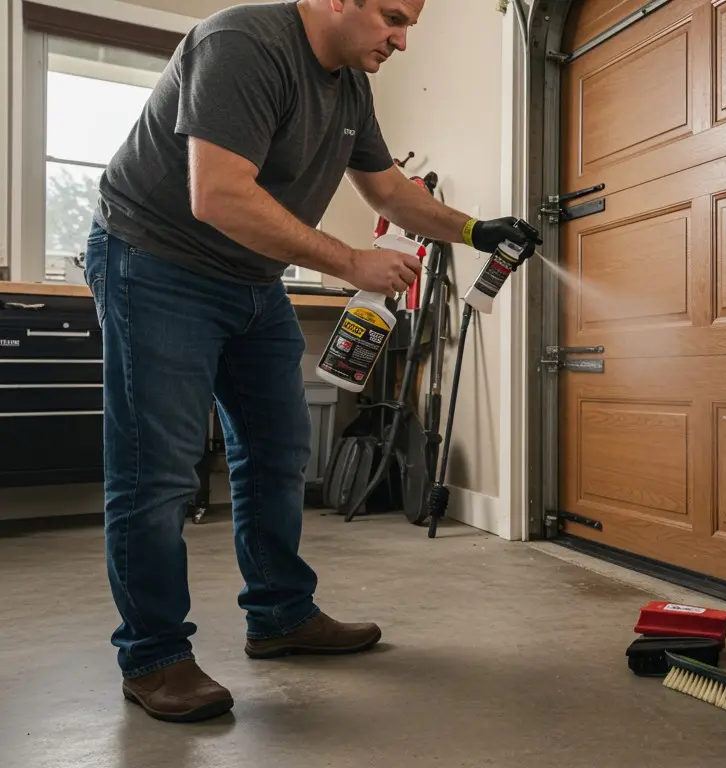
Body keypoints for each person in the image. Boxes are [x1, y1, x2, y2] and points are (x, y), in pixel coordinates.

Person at [85, 0, 530, 723]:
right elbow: (218, 194)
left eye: (410, 23)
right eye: (392, 16)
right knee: (156, 473)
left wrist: (479, 230)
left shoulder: (351, 84)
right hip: (154, 263)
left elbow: (389, 191)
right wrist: (352, 259)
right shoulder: (240, 43)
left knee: (280, 453)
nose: (402, 39)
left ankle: (282, 615)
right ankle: (154, 656)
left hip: (252, 279)